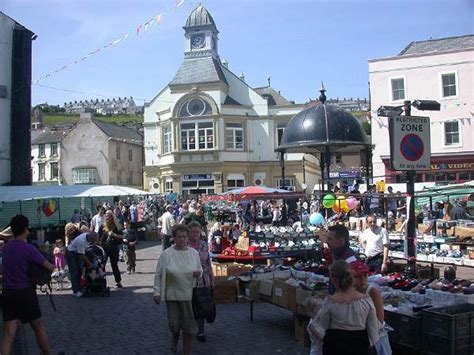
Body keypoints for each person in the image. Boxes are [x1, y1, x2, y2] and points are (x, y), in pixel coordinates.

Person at [1, 215, 55, 355]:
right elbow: (49, 267)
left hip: (8, 293)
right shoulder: (28, 249)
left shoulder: (5, 248)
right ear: (25, 229)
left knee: (8, 334)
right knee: (38, 328)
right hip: (25, 293)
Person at [309, 260, 379, 355]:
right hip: (359, 348)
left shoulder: (330, 301)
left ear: (333, 279)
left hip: (335, 348)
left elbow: (318, 328)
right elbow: (374, 332)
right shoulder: (366, 301)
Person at [153, 224, 202, 355]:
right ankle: (174, 338)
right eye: (179, 237)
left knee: (188, 327)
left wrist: (199, 274)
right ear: (173, 238)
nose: (182, 240)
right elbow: (158, 275)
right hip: (172, 295)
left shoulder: (194, 253)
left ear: (188, 238)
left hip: (188, 295)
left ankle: (187, 352)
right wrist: (156, 292)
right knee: (174, 326)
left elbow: (200, 270)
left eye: (184, 237)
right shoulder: (166, 254)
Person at [352, 261, 392, 355]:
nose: (362, 280)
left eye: (365, 276)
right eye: (357, 277)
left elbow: (379, 320)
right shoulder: (349, 292)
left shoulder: (372, 292)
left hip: (376, 338)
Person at [187, 221, 214, 342]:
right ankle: (190, 327)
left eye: (197, 231)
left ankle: (201, 331)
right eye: (193, 232)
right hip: (189, 279)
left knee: (202, 304)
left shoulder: (203, 244)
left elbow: (208, 262)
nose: (195, 234)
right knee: (191, 305)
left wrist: (212, 279)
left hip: (203, 278)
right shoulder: (185, 245)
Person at [325, 224, 363, 294]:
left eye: (330, 239)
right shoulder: (337, 255)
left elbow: (356, 287)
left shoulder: (351, 259)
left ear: (341, 241)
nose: (326, 241)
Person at [66, 231, 99, 297]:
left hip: (76, 253)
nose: (93, 242)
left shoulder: (86, 235)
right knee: (74, 272)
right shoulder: (81, 241)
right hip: (71, 253)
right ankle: (76, 291)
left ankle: (79, 287)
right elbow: (81, 255)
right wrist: (89, 264)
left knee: (79, 270)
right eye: (93, 241)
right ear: (91, 238)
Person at [99, 210, 124, 288]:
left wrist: (114, 235)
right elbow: (98, 237)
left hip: (113, 248)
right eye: (106, 215)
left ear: (112, 217)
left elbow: (122, 236)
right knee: (102, 265)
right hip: (104, 249)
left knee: (114, 265)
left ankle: (118, 282)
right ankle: (102, 282)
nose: (107, 217)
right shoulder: (102, 226)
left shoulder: (116, 226)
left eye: (109, 215)